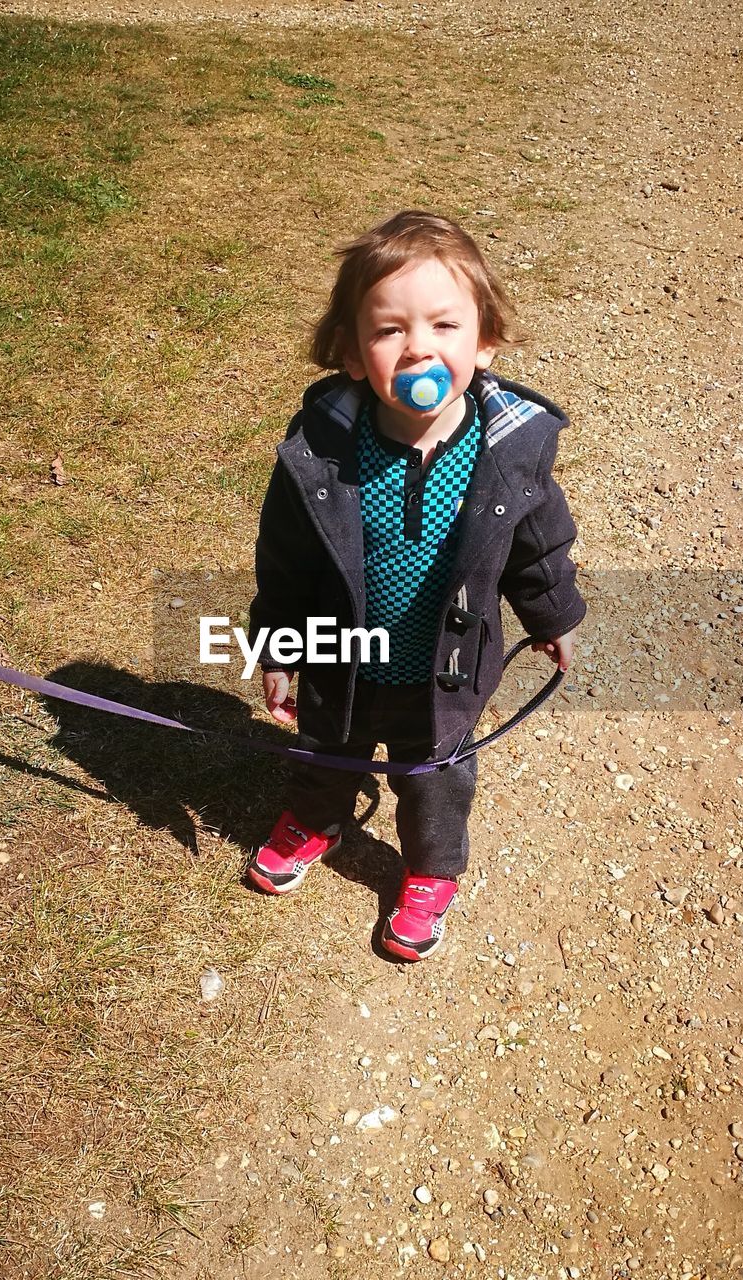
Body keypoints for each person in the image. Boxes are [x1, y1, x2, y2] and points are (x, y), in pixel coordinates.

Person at [246, 209, 585, 961]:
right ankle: (316, 818)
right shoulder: (321, 453)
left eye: (443, 325)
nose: (418, 348)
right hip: (343, 656)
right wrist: (277, 647)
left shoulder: (507, 452)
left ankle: (430, 868)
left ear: (485, 339)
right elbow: (286, 563)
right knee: (325, 747)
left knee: (435, 777)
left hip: (446, 667)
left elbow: (539, 545)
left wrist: (553, 614)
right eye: (390, 329)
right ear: (352, 351)